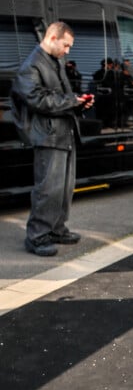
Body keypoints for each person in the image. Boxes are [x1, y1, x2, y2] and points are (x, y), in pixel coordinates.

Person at [10, 21, 92, 257]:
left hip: (62, 133)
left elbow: (59, 97)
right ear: (53, 38)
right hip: (48, 136)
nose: (68, 51)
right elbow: (36, 99)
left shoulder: (54, 62)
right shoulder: (32, 65)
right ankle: (37, 237)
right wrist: (72, 102)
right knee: (47, 190)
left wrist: (79, 102)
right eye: (66, 45)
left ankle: (56, 229)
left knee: (64, 189)